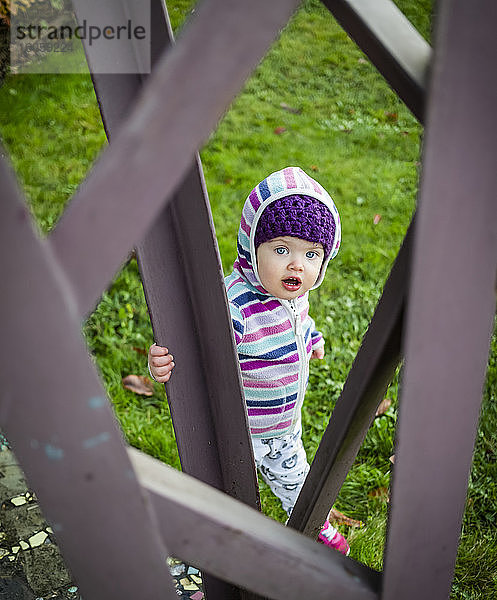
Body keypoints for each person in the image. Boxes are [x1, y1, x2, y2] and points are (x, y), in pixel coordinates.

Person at [148, 166, 349, 555]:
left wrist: (312, 339)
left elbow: (299, 321)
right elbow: (192, 347)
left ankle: (313, 525)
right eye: (281, 249)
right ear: (250, 245)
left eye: (311, 255)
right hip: (237, 433)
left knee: (298, 482)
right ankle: (205, 563)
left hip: (284, 427)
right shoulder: (234, 306)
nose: (296, 265)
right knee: (222, 501)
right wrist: (164, 362)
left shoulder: (294, 297)